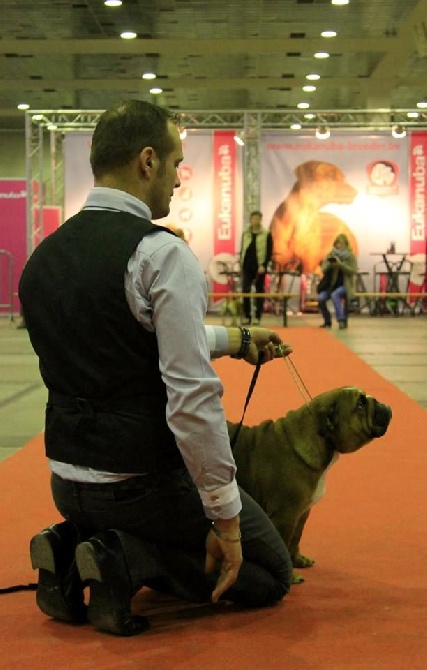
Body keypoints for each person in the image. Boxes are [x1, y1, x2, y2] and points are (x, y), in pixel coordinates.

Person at [19, 100, 294, 637]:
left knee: (136, 519)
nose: (177, 179)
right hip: (140, 486)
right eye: (175, 163)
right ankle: (123, 559)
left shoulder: (42, 258)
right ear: (147, 162)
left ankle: (69, 544)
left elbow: (119, 338)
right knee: (266, 574)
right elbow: (192, 400)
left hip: (66, 478)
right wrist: (225, 515)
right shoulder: (160, 255)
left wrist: (234, 339)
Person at [317, 233, 357, 330]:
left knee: (335, 295)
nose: (339, 246)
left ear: (346, 244)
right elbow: (323, 268)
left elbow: (352, 271)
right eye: (338, 243)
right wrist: (330, 265)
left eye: (342, 243)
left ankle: (341, 320)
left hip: (345, 285)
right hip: (331, 285)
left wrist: (340, 265)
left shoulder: (350, 256)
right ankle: (327, 320)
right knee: (321, 298)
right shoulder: (331, 255)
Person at [240, 210, 273, 325]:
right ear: (250, 220)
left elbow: (269, 252)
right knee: (245, 290)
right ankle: (247, 316)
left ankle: (258, 316)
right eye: (253, 218)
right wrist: (241, 262)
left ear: (261, 220)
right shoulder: (246, 233)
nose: (255, 221)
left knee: (259, 290)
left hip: (260, 266)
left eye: (258, 218)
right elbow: (243, 249)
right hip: (247, 265)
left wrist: (263, 265)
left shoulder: (266, 233)